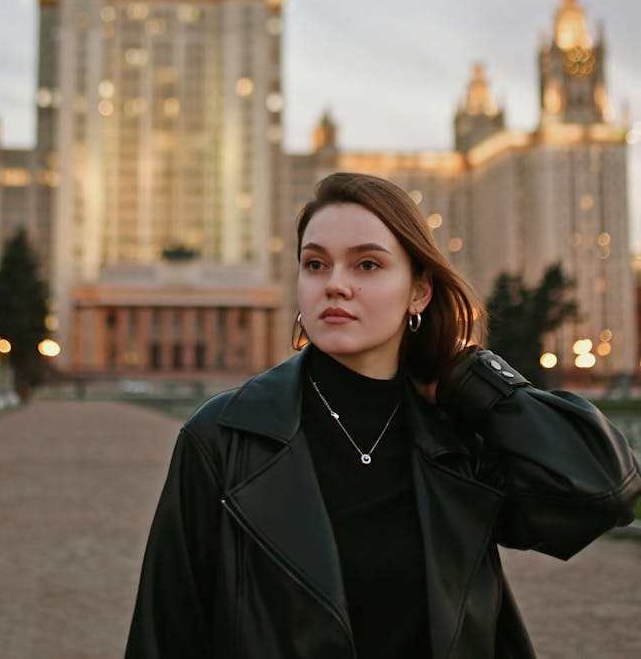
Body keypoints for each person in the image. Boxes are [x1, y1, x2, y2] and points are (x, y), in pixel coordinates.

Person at [125, 172, 641, 659]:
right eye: (315, 264)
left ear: (418, 290)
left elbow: (603, 489)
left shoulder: (459, 433)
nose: (335, 285)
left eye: (367, 264)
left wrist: (476, 380)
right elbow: (167, 631)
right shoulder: (225, 437)